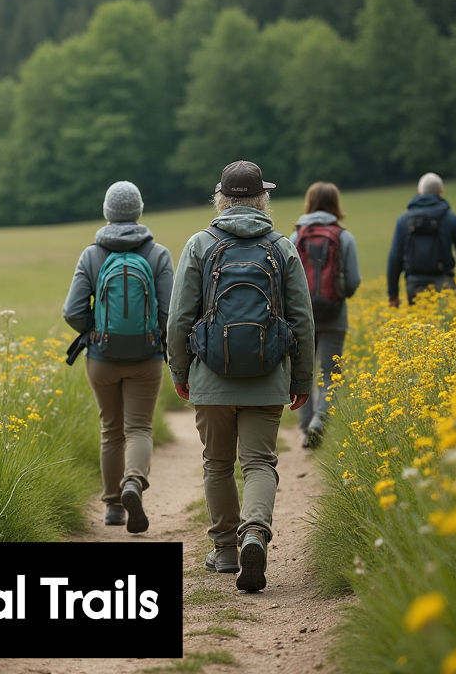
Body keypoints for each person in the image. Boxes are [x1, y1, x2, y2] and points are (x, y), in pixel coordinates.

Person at [167, 161, 313, 592]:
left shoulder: (200, 244)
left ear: (222, 199)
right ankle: (255, 533)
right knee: (259, 462)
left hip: (209, 376)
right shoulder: (282, 246)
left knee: (217, 463)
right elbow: (302, 319)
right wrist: (301, 380)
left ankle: (227, 550)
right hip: (268, 376)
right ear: (261, 199)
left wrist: (180, 371)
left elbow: (178, 319)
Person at [63, 181, 174, 533]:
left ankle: (112, 507)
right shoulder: (157, 254)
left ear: (108, 212)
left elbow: (72, 311)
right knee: (139, 427)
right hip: (147, 356)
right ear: (138, 210)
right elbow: (170, 311)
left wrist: (93, 330)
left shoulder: (92, 254)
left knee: (111, 430)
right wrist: (157, 337)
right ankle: (133, 483)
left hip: (102, 355)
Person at [291, 182, 360, 450]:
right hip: (334, 314)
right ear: (336, 204)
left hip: (302, 316)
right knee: (331, 374)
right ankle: (320, 421)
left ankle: (305, 427)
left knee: (303, 372)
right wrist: (339, 296)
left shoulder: (296, 237)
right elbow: (352, 281)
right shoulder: (343, 237)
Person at [387, 172, 456, 307]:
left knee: (419, 327)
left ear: (419, 191)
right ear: (441, 192)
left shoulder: (404, 219)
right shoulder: (450, 218)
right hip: (444, 282)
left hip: (414, 284)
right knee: (448, 324)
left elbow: (394, 259)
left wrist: (393, 295)